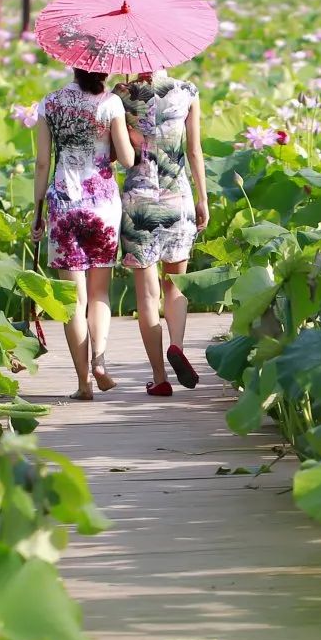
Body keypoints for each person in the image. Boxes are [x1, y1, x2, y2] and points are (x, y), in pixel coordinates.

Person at [32, 67, 134, 400]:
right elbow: (129, 159)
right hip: (103, 205)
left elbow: (43, 164)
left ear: (73, 66)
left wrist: (37, 212)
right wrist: (123, 144)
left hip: (63, 205)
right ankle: (100, 362)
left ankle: (83, 384)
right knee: (99, 295)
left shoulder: (49, 103)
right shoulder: (112, 104)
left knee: (73, 302)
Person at [117, 69, 209, 396]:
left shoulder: (122, 95)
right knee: (175, 285)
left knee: (146, 295)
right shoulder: (187, 91)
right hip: (178, 197)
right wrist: (203, 198)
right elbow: (195, 151)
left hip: (138, 201)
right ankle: (178, 345)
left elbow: (117, 152)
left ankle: (159, 377)